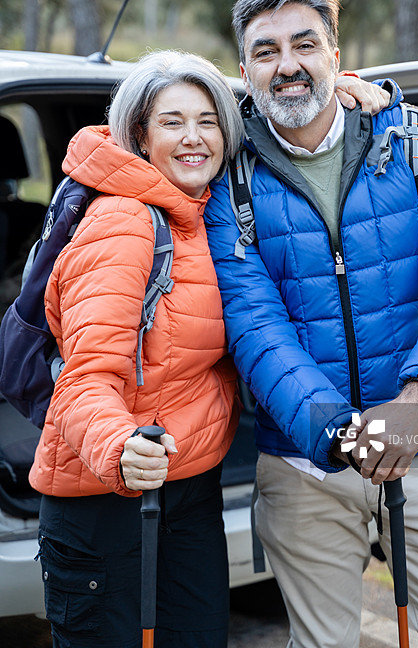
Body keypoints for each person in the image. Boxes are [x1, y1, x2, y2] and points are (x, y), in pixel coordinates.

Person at [28, 48, 384, 648]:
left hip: (186, 492)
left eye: (208, 121)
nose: (194, 138)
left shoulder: (200, 210)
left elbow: (279, 114)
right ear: (139, 134)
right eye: (172, 123)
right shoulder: (124, 223)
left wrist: (333, 89)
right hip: (108, 501)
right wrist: (118, 448)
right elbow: (85, 376)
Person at [205, 0, 418, 648]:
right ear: (244, 73)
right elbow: (254, 326)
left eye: (304, 44)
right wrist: (340, 434)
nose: (287, 64)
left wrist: (416, 400)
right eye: (265, 51)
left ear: (336, 57)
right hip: (302, 462)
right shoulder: (226, 179)